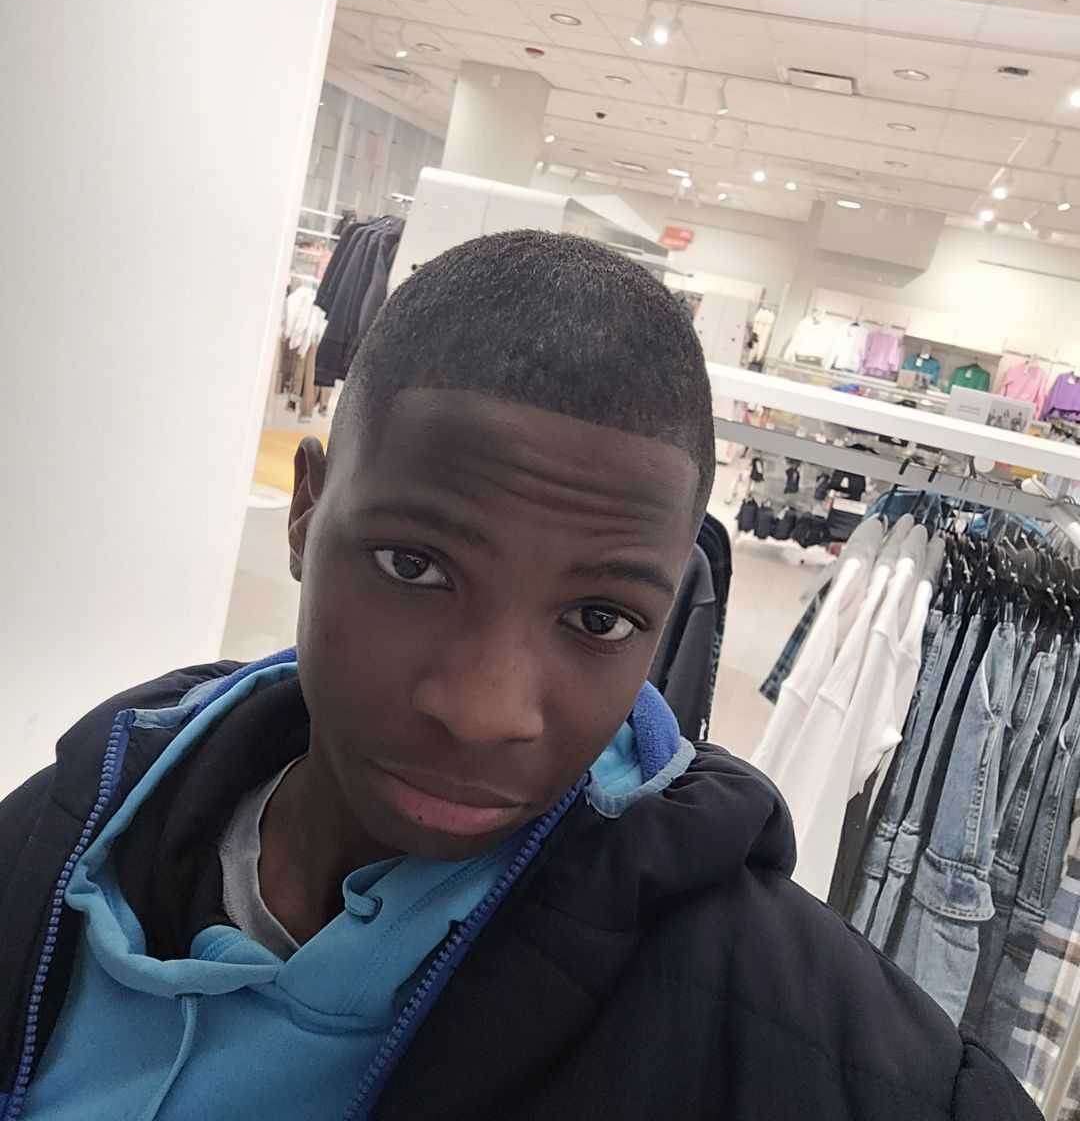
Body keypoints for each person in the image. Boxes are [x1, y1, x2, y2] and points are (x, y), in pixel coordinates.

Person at [0, 231, 1036, 1120]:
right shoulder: (76, 826)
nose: (483, 711)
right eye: (415, 566)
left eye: (600, 619)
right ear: (308, 512)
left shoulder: (769, 1022)